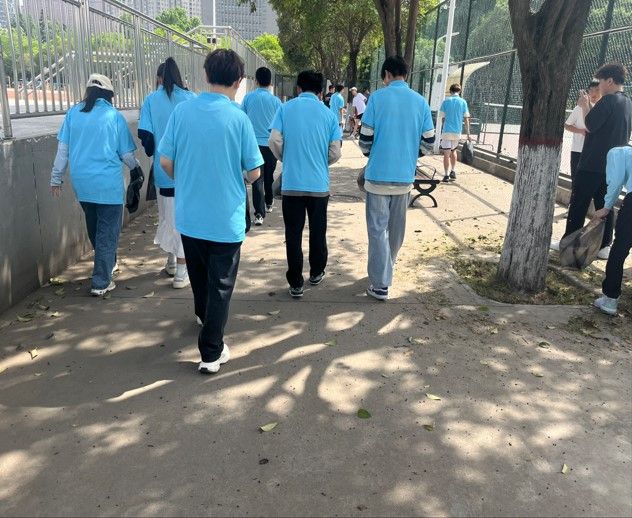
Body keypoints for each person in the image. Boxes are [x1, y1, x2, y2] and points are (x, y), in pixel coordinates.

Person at [159, 49, 263, 374]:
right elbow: (254, 172)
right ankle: (210, 352)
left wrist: (186, 179)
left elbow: (165, 161)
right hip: (225, 218)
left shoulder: (182, 112)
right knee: (220, 285)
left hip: (190, 215)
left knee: (200, 278)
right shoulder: (238, 118)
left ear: (205, 75)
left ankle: (205, 322)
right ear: (239, 80)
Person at [50, 74, 139, 297]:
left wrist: (56, 178)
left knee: (95, 228)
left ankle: (109, 264)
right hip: (108, 185)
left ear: (88, 92)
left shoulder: (73, 114)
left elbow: (63, 150)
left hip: (83, 185)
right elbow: (126, 154)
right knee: (107, 233)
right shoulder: (113, 116)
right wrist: (136, 169)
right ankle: (101, 282)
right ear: (109, 95)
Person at [359, 56, 435, 301]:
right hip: (404, 177)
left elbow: (365, 139)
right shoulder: (420, 101)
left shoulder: (376, 99)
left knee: (377, 230)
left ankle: (381, 283)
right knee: (396, 229)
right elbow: (429, 141)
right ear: (406, 74)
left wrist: (373, 154)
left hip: (377, 177)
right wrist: (411, 155)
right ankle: (386, 267)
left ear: (387, 74)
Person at [268, 70, 342, 298]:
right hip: (319, 185)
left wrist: (287, 158)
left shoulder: (285, 109)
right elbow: (335, 152)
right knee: (318, 231)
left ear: (298, 88)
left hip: (292, 184)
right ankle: (317, 271)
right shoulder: (329, 115)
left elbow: (274, 140)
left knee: (293, 233)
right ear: (320, 92)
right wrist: (320, 161)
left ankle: (296, 282)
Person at [552, 63, 632, 259]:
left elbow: (590, 124)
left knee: (578, 204)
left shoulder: (608, 100)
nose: (600, 86)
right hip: (612, 167)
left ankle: (569, 244)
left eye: (601, 82)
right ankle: (605, 246)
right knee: (605, 206)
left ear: (610, 81)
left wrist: (585, 105)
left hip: (592, 164)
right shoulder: (628, 103)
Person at [138, 57, 196, 289]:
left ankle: (172, 261)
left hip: (163, 171)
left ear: (160, 78)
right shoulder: (191, 99)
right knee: (184, 220)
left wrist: (154, 153)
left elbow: (145, 135)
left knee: (167, 218)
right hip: (189, 173)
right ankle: (181, 270)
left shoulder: (151, 100)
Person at [592, 146, 632, 315]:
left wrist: (606, 207)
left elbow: (615, 181)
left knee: (619, 249)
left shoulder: (619, 153)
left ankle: (610, 299)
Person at [242, 66, 283, 222]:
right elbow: (280, 125)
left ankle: (259, 214)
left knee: (257, 179)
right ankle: (269, 202)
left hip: (253, 145)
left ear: (256, 81)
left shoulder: (248, 98)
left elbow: (242, 118)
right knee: (269, 175)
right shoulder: (276, 101)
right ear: (270, 82)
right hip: (270, 145)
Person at [565, 79, 601, 184]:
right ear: (588, 92)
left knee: (589, 183)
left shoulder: (602, 109)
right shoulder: (579, 108)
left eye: (597, 90)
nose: (594, 93)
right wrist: (580, 131)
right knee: (576, 181)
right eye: (591, 90)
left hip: (595, 152)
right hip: (578, 150)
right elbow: (567, 125)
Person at [438, 83, 471, 182]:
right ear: (459, 91)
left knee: (446, 154)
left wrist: (444, 127)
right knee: (454, 151)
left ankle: (446, 175)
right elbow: (466, 119)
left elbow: (442, 118)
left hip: (447, 131)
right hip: (457, 131)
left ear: (450, 91)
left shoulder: (446, 101)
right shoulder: (463, 102)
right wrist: (468, 134)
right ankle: (453, 171)